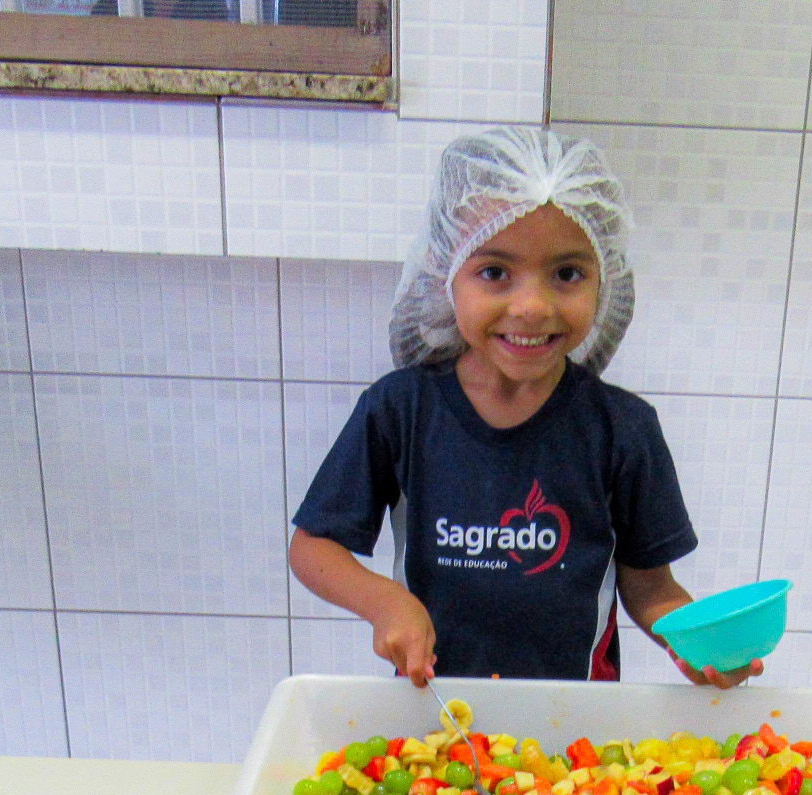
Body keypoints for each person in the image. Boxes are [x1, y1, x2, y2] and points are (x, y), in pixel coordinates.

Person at [287, 126, 764, 689]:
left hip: (576, 730)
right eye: (494, 272)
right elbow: (312, 548)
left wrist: (697, 640)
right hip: (436, 719)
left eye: (567, 274)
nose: (532, 306)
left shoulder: (624, 431)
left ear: (603, 279)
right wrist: (383, 601)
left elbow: (651, 587)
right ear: (446, 273)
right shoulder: (400, 410)